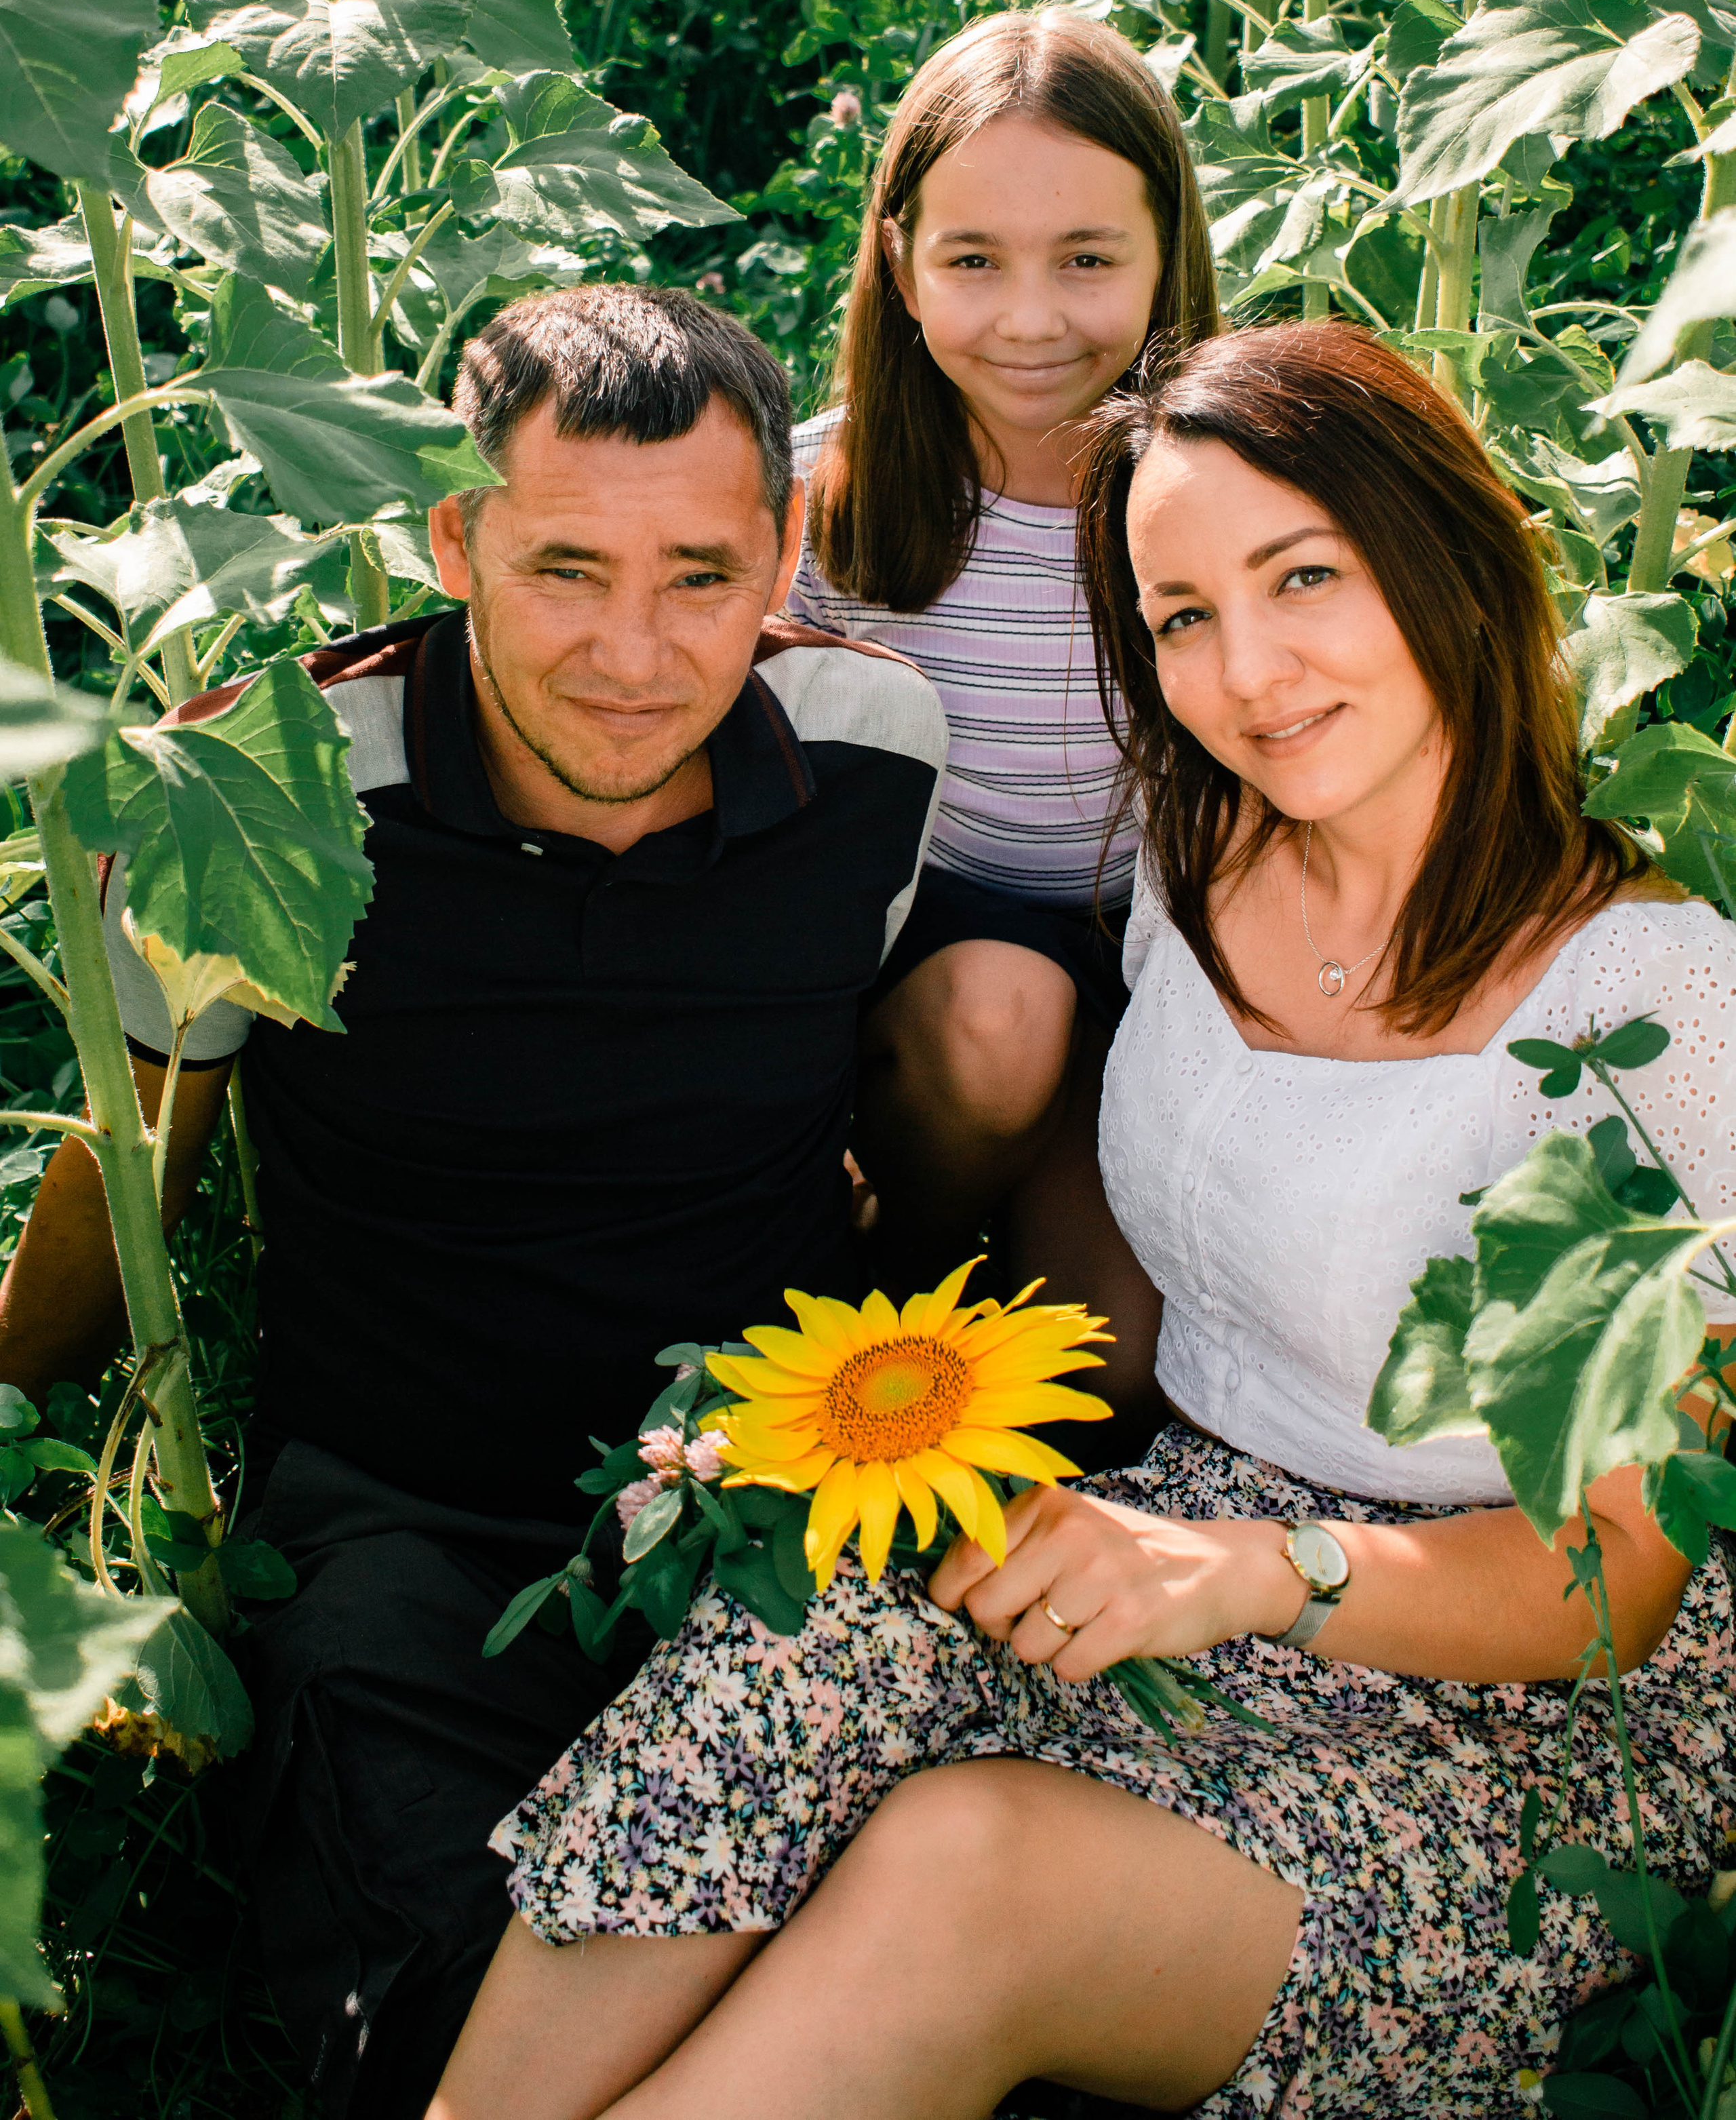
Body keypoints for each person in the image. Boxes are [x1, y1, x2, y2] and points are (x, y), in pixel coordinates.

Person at [429, 320, 1736, 2120]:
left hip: (1527, 1728)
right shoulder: (1204, 860)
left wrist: (1254, 1576)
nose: (1249, 671)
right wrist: (890, 1407)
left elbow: (1615, 1588)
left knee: (972, 1866)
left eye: (1304, 580)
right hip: (1182, 1515)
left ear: (1441, 561)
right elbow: (1161, 1245)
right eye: (1182, 614)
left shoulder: (1645, 1006)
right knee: (807, 1610)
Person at [0, 286, 948, 2120]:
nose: (635, 651)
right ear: (454, 541)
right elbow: (132, 1179)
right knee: (431, 2004)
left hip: (748, 1485)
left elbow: (893, 1080)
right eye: (565, 569)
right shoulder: (267, 785)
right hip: (401, 1519)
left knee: (868, 1950)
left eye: (698, 574)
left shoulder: (870, 751)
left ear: (786, 547)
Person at [782, 7, 1217, 1419]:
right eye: (973, 260)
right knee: (1002, 1016)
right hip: (930, 979)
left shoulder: (1230, 491)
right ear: (900, 265)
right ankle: (884, 1263)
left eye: (1087, 260)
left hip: (1160, 961)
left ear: (1165, 258)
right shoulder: (826, 500)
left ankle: (1019, 1248)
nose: (1031, 320)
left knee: (1119, 1375)